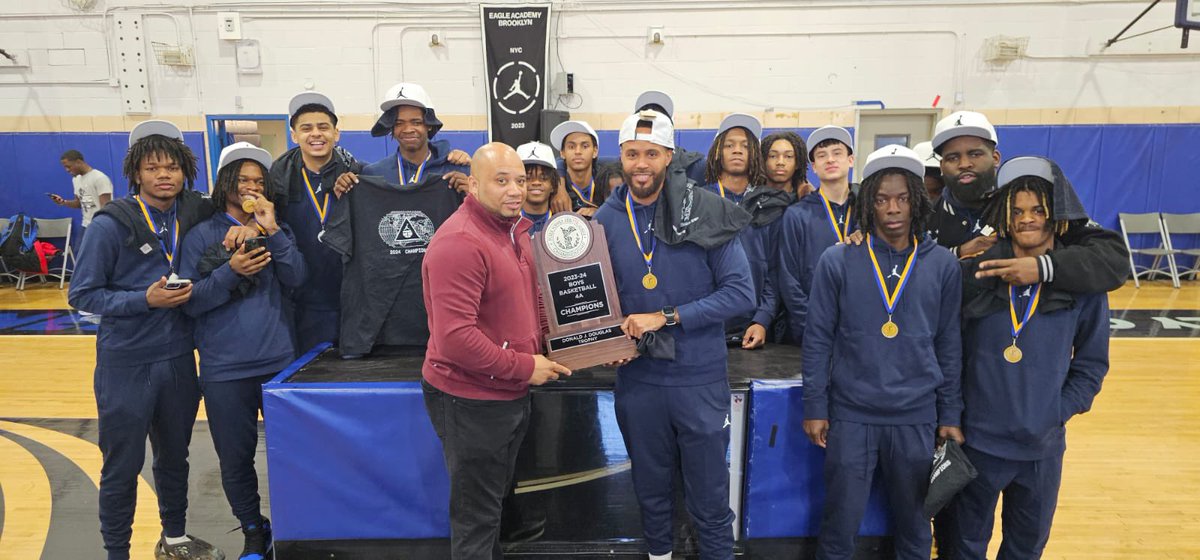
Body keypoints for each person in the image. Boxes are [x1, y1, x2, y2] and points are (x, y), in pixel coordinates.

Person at [593, 109, 755, 560]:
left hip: (698, 379)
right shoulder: (604, 220)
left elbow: (741, 294)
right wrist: (605, 340)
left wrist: (666, 317)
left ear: (668, 156)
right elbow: (599, 300)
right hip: (639, 382)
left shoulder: (705, 211)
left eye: (650, 153)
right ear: (620, 157)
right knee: (651, 495)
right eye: (631, 154)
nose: (640, 163)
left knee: (708, 501)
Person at [67, 120, 225, 560]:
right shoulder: (110, 224)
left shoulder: (193, 210)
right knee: (122, 466)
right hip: (126, 363)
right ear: (136, 173)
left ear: (185, 172)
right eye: (153, 167)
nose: (164, 175)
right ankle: (117, 551)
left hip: (177, 360)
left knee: (175, 458)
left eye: (172, 167)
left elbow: (236, 197)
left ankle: (174, 538)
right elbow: (81, 294)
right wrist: (144, 300)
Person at [801, 145, 963, 560]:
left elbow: (948, 343)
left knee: (914, 529)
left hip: (916, 417)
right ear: (868, 201)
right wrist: (815, 405)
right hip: (852, 415)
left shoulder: (943, 265)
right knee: (839, 526)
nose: (893, 208)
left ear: (916, 200)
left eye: (903, 198)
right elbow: (818, 338)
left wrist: (949, 414)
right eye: (882, 198)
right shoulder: (837, 260)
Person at [420, 142, 572, 559]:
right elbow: (454, 340)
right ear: (473, 185)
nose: (515, 190)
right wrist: (524, 367)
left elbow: (530, 303)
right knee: (477, 517)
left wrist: (573, 342)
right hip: (471, 399)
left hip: (505, 394)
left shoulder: (513, 230)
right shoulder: (460, 243)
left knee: (493, 509)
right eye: (501, 180)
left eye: (520, 180)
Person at [953, 157, 1109, 560]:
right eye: (1017, 211)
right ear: (1005, 215)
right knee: (963, 545)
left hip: (1042, 447)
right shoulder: (978, 273)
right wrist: (953, 415)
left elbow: (1092, 364)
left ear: (1055, 214)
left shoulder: (1083, 281)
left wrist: (1056, 410)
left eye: (1038, 210)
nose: (1027, 220)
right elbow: (950, 352)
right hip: (978, 443)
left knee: (1026, 548)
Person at [179, 142, 307, 560]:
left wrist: (271, 231)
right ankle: (255, 532)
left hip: (278, 364)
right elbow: (192, 301)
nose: (251, 186)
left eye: (258, 180)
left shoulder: (275, 227)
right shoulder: (200, 235)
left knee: (291, 456)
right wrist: (228, 273)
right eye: (242, 179)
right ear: (226, 184)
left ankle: (296, 528)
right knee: (235, 460)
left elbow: (298, 278)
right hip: (224, 368)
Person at [929, 111, 1127, 292]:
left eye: (975, 154)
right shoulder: (927, 216)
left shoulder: (1027, 207)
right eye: (953, 157)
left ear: (996, 157)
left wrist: (1044, 266)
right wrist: (958, 252)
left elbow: (1111, 258)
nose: (964, 164)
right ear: (942, 165)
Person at [268, 92, 357, 354]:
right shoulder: (276, 180)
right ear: (294, 135)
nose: (315, 134)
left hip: (350, 300)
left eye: (323, 127)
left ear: (336, 134)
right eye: (306, 128)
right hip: (300, 302)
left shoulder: (357, 174)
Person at [702, 113, 791, 349]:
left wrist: (762, 319)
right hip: (707, 324)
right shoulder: (698, 200)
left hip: (754, 328)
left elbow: (775, 272)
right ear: (718, 152)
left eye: (744, 145)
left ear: (754, 153)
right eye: (729, 145)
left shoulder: (768, 204)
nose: (737, 150)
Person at [776, 126, 857, 347]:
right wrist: (811, 324)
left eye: (837, 152)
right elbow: (788, 278)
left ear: (851, 160)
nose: (830, 159)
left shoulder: (867, 210)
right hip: (810, 330)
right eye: (821, 155)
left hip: (861, 329)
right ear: (813, 166)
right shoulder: (797, 214)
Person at [335, 82, 471, 194]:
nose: (408, 129)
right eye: (399, 123)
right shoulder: (374, 174)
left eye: (416, 122)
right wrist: (344, 188)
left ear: (429, 125)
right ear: (391, 128)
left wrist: (472, 196)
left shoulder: (456, 171)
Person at [549, 120, 603, 216]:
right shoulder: (552, 185)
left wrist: (599, 212)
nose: (578, 151)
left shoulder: (604, 180)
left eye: (585, 146)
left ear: (595, 151)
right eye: (571, 147)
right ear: (562, 153)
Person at [55, 149, 114, 227]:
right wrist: (63, 202)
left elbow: (106, 207)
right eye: (65, 167)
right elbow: (79, 203)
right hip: (86, 224)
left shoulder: (99, 178)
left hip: (100, 225)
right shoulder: (76, 179)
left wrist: (100, 226)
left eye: (69, 166)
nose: (67, 170)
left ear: (78, 162)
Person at [516, 141, 559, 235]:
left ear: (553, 184)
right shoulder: (508, 223)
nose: (536, 182)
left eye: (543, 178)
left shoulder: (562, 223)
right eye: (528, 178)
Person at [761, 131, 813, 198]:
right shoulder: (750, 199)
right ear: (763, 161)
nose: (780, 162)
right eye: (773, 156)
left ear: (797, 163)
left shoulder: (809, 200)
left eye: (788, 156)